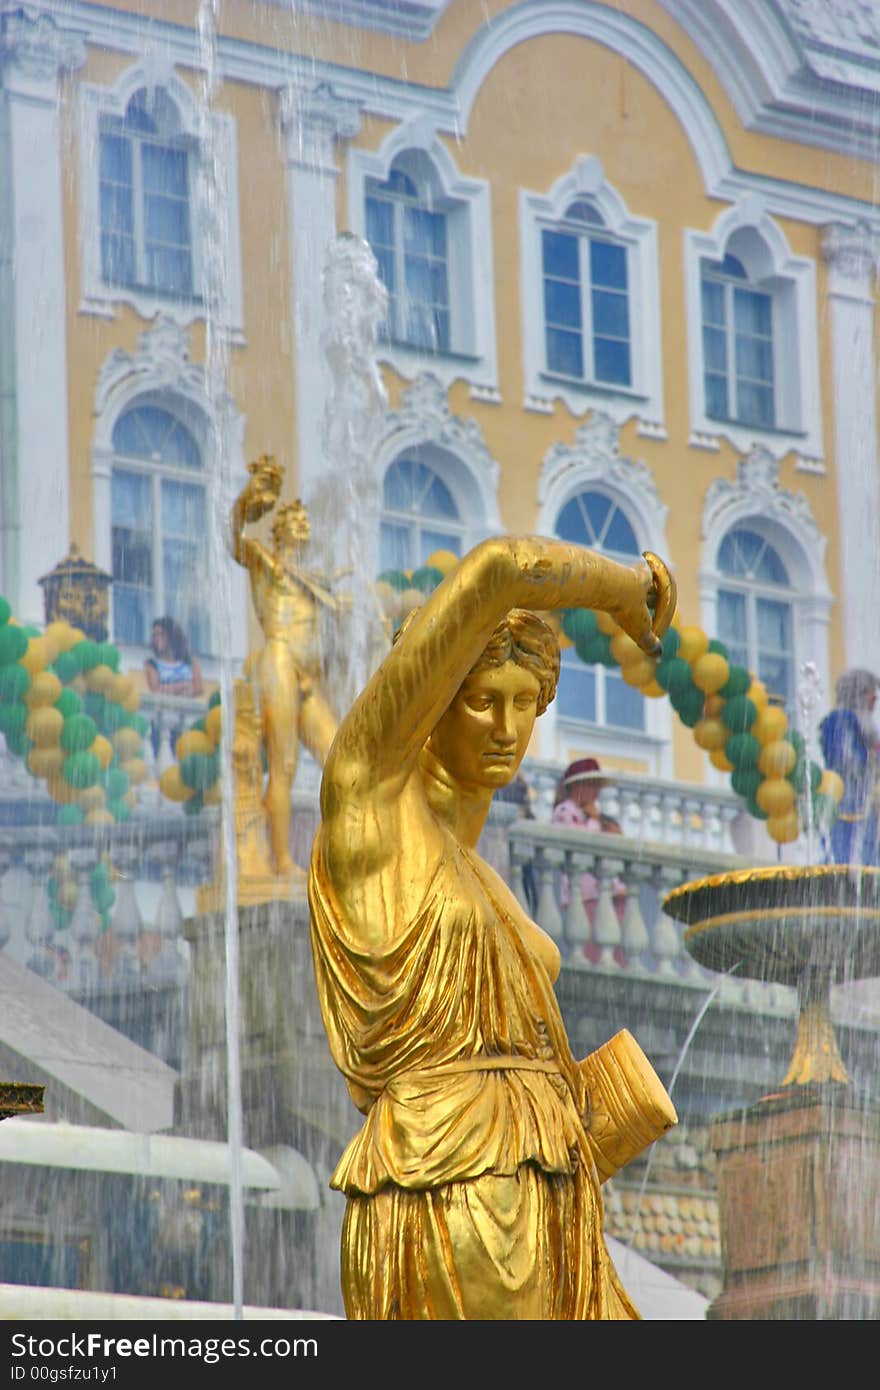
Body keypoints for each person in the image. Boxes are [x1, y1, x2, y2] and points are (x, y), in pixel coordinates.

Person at [307, 533, 677, 1320]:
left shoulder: (480, 876)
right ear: (433, 699)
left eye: (523, 703)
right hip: (456, 1192)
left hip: (549, 1191)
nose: (507, 727)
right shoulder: (367, 801)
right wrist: (619, 591)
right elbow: (499, 568)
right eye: (481, 701)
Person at [230, 456, 344, 878]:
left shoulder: (316, 582)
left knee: (341, 764)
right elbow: (233, 537)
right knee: (284, 764)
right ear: (278, 530)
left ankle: (338, 863)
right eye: (294, 519)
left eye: (304, 520)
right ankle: (280, 861)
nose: (303, 525)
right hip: (279, 660)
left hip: (310, 675)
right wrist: (248, 498)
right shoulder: (266, 562)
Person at [553, 757, 626, 930]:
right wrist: (597, 823)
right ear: (577, 786)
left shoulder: (594, 814)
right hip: (586, 893)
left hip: (607, 891)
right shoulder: (565, 811)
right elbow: (583, 843)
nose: (596, 792)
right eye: (592, 785)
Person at [819, 667, 880, 866]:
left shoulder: (862, 728)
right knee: (846, 864)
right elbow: (846, 761)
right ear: (859, 695)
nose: (875, 701)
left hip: (862, 808)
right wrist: (873, 761)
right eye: (872, 693)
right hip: (847, 808)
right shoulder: (840, 719)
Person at [144, 617, 203, 697]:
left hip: (187, 708)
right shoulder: (151, 664)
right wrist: (183, 686)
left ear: (171, 635)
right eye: (154, 635)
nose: (156, 638)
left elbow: (198, 689)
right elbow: (156, 690)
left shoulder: (191, 662)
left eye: (159, 634)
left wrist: (168, 688)